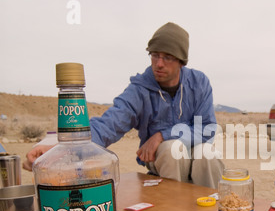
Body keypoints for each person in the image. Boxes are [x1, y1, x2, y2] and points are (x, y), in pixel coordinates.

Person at [24, 22, 224, 188]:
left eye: (168, 57)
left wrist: (162, 135)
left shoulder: (199, 83)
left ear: (181, 61)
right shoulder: (140, 89)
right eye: (155, 55)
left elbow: (207, 129)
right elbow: (109, 124)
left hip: (195, 154)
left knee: (207, 154)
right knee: (173, 149)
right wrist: (58, 146)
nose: (159, 63)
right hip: (165, 160)